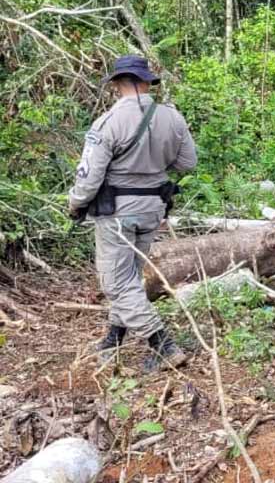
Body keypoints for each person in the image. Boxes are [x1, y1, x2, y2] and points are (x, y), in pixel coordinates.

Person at [68, 55, 197, 371]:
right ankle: (112, 340)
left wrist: (75, 203)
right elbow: (187, 164)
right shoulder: (173, 118)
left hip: (117, 212)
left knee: (116, 283)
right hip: (153, 209)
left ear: (116, 84)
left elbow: (88, 178)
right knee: (128, 279)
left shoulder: (108, 123)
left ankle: (162, 344)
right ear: (147, 83)